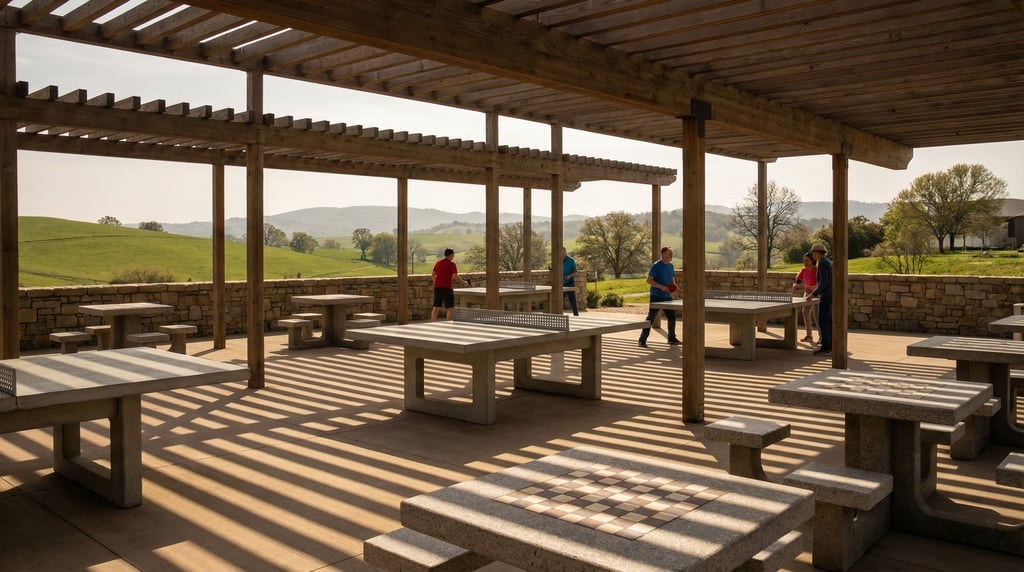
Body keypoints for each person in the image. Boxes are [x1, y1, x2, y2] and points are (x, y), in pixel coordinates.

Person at [638, 246, 680, 348]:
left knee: (671, 317)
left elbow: (671, 279)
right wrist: (661, 287)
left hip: (667, 297)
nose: (671, 255)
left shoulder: (671, 265)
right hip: (656, 296)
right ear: (663, 254)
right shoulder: (656, 266)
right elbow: (649, 280)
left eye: (672, 253)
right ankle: (642, 340)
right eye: (669, 253)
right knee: (651, 318)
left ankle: (671, 338)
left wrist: (674, 286)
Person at [807, 243, 832, 356]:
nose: (812, 255)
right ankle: (830, 346)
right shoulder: (828, 261)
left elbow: (823, 282)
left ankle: (826, 347)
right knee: (828, 321)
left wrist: (813, 294)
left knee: (823, 321)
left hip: (825, 296)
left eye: (813, 253)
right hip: (830, 295)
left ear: (817, 253)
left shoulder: (822, 263)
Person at [430, 248, 467, 320]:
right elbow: (455, 276)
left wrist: (437, 281)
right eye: (453, 255)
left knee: (436, 306)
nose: (454, 256)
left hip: (437, 287)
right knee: (450, 308)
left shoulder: (438, 263)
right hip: (447, 287)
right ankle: (449, 323)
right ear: (451, 255)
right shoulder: (452, 264)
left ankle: (432, 322)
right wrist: (463, 283)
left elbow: (433, 275)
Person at [793, 252, 818, 343]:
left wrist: (813, 287)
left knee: (817, 315)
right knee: (805, 313)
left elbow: (821, 283)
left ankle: (821, 337)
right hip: (806, 294)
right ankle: (809, 336)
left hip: (816, 294)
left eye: (807, 260)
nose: (805, 262)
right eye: (804, 260)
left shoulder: (817, 270)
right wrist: (795, 284)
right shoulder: (803, 270)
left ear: (812, 260)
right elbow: (798, 279)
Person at [561, 246, 579, 316]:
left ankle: (576, 315)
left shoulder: (571, 260)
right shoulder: (557, 260)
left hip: (569, 283)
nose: (562, 253)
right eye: (561, 252)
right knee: (559, 301)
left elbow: (576, 271)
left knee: (572, 300)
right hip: (560, 283)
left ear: (566, 252)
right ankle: (559, 315)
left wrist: (570, 275)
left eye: (564, 252)